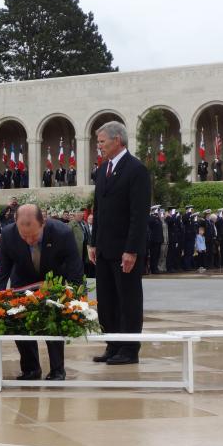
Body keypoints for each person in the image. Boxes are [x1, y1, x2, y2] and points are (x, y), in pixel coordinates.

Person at [0, 204, 84, 380]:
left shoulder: (62, 233)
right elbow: (1, 270)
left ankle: (57, 370)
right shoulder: (8, 235)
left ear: (43, 223)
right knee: (18, 319)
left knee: (53, 318)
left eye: (33, 236)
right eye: (24, 236)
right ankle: (30, 369)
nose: (29, 241)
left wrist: (78, 301)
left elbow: (75, 269)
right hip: (22, 281)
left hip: (53, 282)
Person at [88, 121, 151, 366]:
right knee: (107, 301)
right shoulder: (103, 170)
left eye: (102, 141)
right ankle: (112, 344)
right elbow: (98, 210)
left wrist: (131, 250)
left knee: (128, 300)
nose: (99, 146)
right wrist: (93, 243)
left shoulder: (136, 170)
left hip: (125, 250)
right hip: (104, 249)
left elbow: (138, 214)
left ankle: (129, 348)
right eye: (98, 142)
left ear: (118, 140)